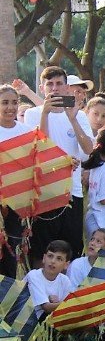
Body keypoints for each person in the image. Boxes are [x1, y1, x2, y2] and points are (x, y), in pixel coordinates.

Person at [23, 66, 95, 265]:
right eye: (50, 84)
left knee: (69, 249)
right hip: (44, 191)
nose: (54, 88)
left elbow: (89, 149)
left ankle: (66, 293)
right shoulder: (32, 114)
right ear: (42, 88)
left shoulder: (78, 115)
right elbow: (39, 149)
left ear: (67, 87)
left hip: (73, 191)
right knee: (41, 250)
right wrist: (45, 114)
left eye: (59, 84)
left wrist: (72, 119)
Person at [0, 84, 33, 276]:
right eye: (4, 103)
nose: (10, 107)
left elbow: (37, 162)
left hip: (17, 202)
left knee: (13, 250)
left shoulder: (27, 132)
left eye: (14, 102)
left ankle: (10, 297)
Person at [25, 240, 74, 319]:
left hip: (46, 322)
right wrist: (71, 303)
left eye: (59, 259)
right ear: (44, 258)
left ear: (66, 265)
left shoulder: (65, 280)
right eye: (50, 256)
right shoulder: (33, 275)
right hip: (23, 321)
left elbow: (64, 311)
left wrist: (61, 303)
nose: (53, 261)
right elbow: (46, 307)